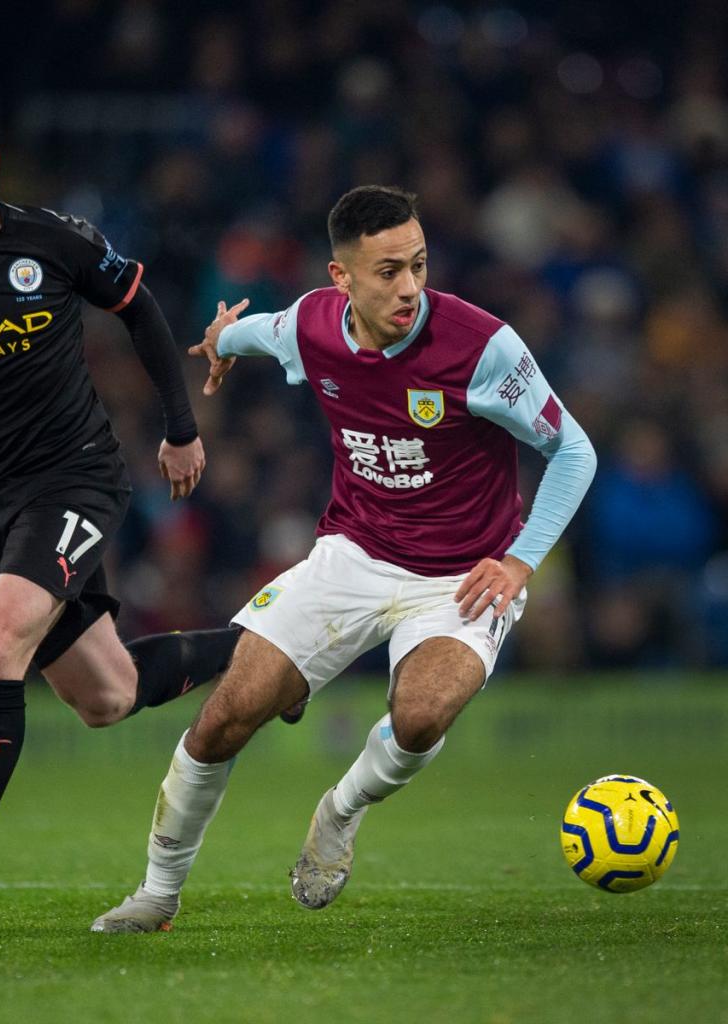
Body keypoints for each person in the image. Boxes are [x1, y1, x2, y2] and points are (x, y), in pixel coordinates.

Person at [91, 185, 597, 933]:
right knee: (226, 717)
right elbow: (261, 331)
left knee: (421, 716)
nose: (409, 288)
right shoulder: (313, 326)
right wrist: (220, 342)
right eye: (388, 271)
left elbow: (573, 450)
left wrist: (521, 562)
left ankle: (341, 809)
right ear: (342, 278)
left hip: (462, 574)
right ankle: (157, 894)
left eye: (419, 266)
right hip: (352, 554)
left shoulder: (481, 347)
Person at [0, 92, 240, 927]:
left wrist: (181, 431)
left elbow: (139, 309)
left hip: (77, 481)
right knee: (106, 697)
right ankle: (262, 655)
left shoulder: (54, 241)